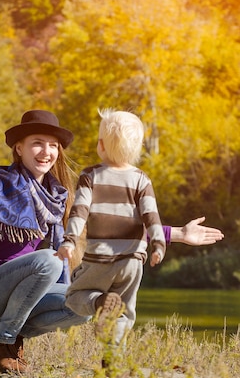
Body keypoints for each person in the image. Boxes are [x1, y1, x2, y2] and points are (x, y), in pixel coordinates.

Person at [0, 109, 225, 374]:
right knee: (50, 260)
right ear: (19, 148)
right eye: (37, 143)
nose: (46, 151)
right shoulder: (0, 183)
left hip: (15, 300)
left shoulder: (59, 197)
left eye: (52, 145)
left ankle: (8, 342)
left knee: (85, 300)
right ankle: (3, 343)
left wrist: (179, 235)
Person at [56, 109, 166, 344]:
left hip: (100, 259)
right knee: (125, 311)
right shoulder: (141, 179)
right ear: (137, 150)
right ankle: (113, 362)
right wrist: (158, 245)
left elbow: (79, 211)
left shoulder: (90, 176)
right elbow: (151, 217)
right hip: (133, 261)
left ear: (101, 145)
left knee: (74, 297)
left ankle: (99, 302)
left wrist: (69, 241)